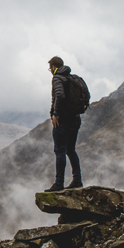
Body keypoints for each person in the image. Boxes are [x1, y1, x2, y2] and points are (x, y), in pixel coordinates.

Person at [44, 56, 83, 192]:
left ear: (54, 67)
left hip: (63, 120)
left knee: (60, 150)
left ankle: (59, 183)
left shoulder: (57, 78)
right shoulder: (72, 78)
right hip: (76, 118)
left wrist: (55, 114)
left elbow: (59, 96)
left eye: (50, 68)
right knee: (71, 150)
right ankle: (77, 180)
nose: (50, 71)